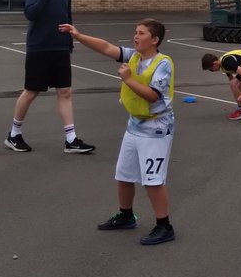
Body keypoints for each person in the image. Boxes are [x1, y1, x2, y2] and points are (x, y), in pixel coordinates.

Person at [60, 19, 177, 245]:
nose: (135, 36)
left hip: (156, 129)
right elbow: (105, 47)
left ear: (154, 40)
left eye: (141, 33)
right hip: (134, 125)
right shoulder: (134, 56)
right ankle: (126, 215)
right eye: (135, 32)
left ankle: (165, 226)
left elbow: (153, 95)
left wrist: (129, 79)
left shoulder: (163, 63)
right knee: (124, 174)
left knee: (152, 180)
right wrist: (79, 35)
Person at [5, 0, 94, 154]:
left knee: (65, 91)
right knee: (31, 91)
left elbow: (67, 15)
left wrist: (69, 42)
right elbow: (31, 14)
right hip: (39, 47)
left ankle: (71, 139)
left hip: (60, 47)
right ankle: (14, 134)